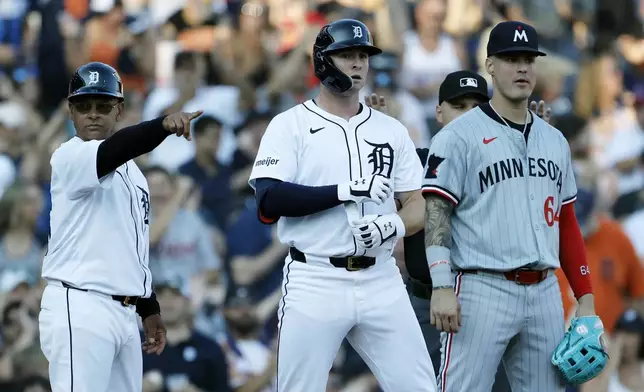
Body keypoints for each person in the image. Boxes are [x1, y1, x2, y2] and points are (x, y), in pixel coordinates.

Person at [248, 19, 436, 392]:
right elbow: (269, 198)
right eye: (346, 55)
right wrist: (343, 191)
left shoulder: (391, 129)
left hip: (381, 277)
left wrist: (393, 225)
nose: (357, 63)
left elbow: (418, 203)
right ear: (322, 62)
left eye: (363, 55)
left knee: (419, 387)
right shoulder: (290, 125)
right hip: (316, 277)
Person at [421, 21, 603, 391]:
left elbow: (566, 223)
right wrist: (441, 284)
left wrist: (585, 299)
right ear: (490, 65)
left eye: (528, 59)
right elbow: (437, 211)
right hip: (480, 287)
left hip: (544, 292)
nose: (522, 68)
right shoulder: (457, 136)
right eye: (510, 59)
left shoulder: (555, 141)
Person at [366, 71, 551, 391]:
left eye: (478, 107)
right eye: (459, 106)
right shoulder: (413, 165)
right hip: (425, 306)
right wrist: (378, 142)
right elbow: (372, 198)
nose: (469, 115)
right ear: (439, 112)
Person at [38, 62, 203, 392]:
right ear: (71, 112)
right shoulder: (69, 156)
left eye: (103, 105)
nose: (93, 114)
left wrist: (148, 306)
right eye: (84, 106)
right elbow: (117, 148)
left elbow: (131, 246)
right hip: (80, 304)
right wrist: (160, 126)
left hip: (125, 313)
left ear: (119, 109)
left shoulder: (135, 175)